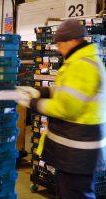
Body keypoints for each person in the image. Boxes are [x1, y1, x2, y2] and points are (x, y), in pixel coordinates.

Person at [16, 19, 106, 199]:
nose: (57, 48)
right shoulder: (76, 62)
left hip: (79, 150)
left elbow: (66, 108)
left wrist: (32, 103)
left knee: (75, 194)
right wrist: (39, 91)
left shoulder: (82, 65)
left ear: (72, 40)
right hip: (72, 151)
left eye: (59, 43)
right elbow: (65, 92)